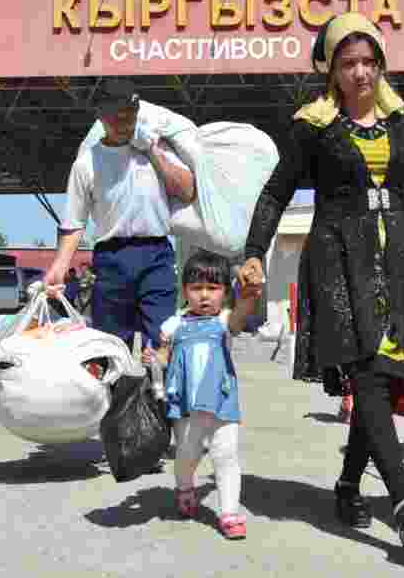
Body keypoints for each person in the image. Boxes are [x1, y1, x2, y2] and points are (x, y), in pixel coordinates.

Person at [237, 13, 404, 552]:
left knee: (383, 379)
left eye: (368, 62)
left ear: (381, 65)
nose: (360, 72)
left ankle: (346, 484)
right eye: (348, 63)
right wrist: (253, 253)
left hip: (395, 264)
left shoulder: (401, 122)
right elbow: (275, 192)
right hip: (337, 259)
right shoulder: (312, 126)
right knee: (365, 373)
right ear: (332, 71)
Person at [45, 79, 197, 351]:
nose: (125, 121)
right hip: (111, 259)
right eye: (118, 116)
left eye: (130, 115)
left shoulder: (153, 147)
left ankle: (160, 392)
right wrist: (59, 266)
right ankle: (118, 393)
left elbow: (187, 191)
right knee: (112, 346)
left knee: (163, 341)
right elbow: (74, 222)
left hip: (156, 255)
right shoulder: (86, 164)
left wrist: (152, 151)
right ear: (101, 116)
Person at [142, 251, 260, 540]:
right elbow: (166, 357)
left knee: (226, 455)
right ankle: (185, 487)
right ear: (185, 291)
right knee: (186, 455)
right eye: (196, 288)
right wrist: (154, 358)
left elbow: (240, 316)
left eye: (213, 288)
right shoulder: (174, 325)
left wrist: (248, 295)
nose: (204, 296)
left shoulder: (224, 321)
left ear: (225, 292)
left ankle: (229, 512)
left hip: (221, 404)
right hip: (185, 408)